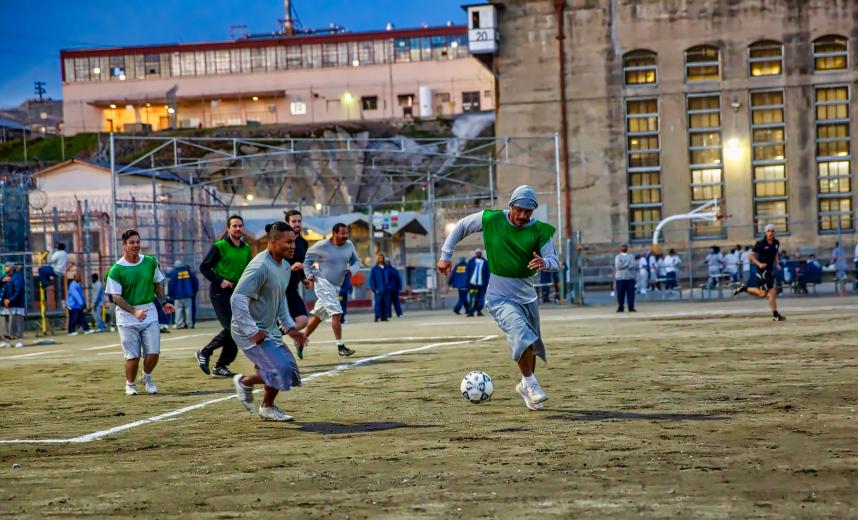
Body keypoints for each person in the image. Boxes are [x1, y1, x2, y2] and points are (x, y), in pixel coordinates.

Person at [438, 185, 559, 412]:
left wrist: (545, 263)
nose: (523, 216)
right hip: (499, 295)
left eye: (528, 212)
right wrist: (446, 255)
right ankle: (532, 384)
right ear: (511, 205)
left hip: (527, 295)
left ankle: (525, 385)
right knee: (521, 333)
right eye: (519, 210)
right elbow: (462, 226)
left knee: (531, 343)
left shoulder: (540, 231)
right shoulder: (492, 219)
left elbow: (554, 260)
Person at [230, 221, 309, 422]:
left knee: (290, 373)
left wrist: (290, 327)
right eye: (288, 242)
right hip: (247, 330)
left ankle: (266, 407)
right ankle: (245, 382)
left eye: (294, 242)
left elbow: (280, 297)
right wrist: (252, 330)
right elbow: (237, 298)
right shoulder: (260, 266)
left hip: (269, 329)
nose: (293, 246)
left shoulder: (284, 267)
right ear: (273, 242)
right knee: (279, 370)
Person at [106, 230, 175, 396]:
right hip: (126, 316)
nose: (136, 245)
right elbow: (116, 297)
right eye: (131, 242)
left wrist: (163, 302)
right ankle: (130, 384)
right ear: (124, 246)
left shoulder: (150, 262)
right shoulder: (116, 270)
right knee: (133, 357)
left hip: (149, 312)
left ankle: (146, 377)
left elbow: (158, 282)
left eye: (137, 242)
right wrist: (134, 311)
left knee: (153, 353)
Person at [196, 215, 252, 378]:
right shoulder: (219, 246)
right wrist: (220, 280)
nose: (237, 229)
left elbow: (247, 270)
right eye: (234, 226)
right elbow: (204, 267)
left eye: (240, 226)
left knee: (238, 329)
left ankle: (221, 366)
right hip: (220, 292)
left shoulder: (246, 248)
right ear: (228, 229)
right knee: (232, 328)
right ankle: (205, 352)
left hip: (238, 293)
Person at [301, 223, 362, 358]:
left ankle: (301, 339)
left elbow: (357, 261)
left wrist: (351, 269)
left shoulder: (349, 245)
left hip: (336, 286)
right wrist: (309, 274)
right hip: (322, 282)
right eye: (342, 234)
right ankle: (340, 346)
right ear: (334, 233)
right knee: (337, 312)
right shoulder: (322, 245)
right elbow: (307, 260)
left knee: (318, 317)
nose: (345, 236)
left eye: (347, 234)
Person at [733, 224, 786, 321]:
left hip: (770, 270)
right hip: (762, 271)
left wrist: (777, 263)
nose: (771, 233)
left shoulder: (776, 242)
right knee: (772, 291)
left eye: (772, 231)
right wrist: (759, 264)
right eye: (769, 231)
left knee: (762, 294)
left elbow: (775, 254)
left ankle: (744, 288)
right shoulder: (760, 243)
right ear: (765, 232)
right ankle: (775, 315)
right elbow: (751, 256)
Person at [284, 210, 310, 331]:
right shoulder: (279, 242)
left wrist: (304, 279)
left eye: (299, 221)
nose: (297, 224)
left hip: (292, 290)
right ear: (287, 223)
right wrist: (291, 268)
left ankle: (272, 336)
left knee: (303, 320)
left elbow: (302, 262)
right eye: (293, 221)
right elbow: (272, 267)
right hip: (277, 291)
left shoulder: (303, 243)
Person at [0, 263, 25, 348]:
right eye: (5, 266)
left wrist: (10, 300)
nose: (5, 268)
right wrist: (2, 281)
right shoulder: (3, 277)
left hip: (16, 304)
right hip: (4, 305)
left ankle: (19, 340)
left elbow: (19, 290)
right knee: (4, 323)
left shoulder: (17, 277)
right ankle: (7, 341)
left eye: (7, 266)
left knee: (17, 322)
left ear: (11, 268)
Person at [168, 260, 198, 329]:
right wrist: (193, 292)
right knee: (188, 310)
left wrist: (170, 293)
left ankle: (179, 324)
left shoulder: (174, 273)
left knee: (178, 310)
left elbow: (171, 284)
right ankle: (189, 324)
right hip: (188, 295)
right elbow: (195, 282)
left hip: (177, 296)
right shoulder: (189, 272)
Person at [466, 249, 490, 317]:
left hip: (481, 284)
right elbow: (467, 272)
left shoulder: (485, 262)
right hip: (472, 283)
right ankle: (471, 311)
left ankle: (479, 310)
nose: (478, 254)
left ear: (481, 254)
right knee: (472, 298)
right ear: (475, 254)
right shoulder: (471, 262)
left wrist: (487, 282)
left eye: (479, 253)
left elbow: (487, 274)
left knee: (481, 298)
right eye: (477, 253)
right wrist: (467, 282)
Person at [614, 244, 636, 313]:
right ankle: (620, 307)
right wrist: (627, 263)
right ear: (621, 248)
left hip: (629, 277)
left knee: (631, 293)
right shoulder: (618, 257)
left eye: (625, 247)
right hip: (620, 278)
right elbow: (618, 266)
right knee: (620, 293)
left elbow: (632, 266)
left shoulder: (631, 256)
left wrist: (623, 264)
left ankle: (631, 307)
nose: (624, 248)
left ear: (627, 248)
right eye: (623, 247)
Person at [369, 253, 390, 322]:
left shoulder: (387, 268)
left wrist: (389, 287)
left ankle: (384, 317)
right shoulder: (374, 269)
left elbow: (390, 278)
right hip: (378, 290)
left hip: (386, 289)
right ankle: (377, 316)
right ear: (377, 259)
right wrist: (374, 289)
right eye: (379, 258)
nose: (381, 259)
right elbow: (372, 280)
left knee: (385, 303)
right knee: (378, 303)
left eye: (382, 258)